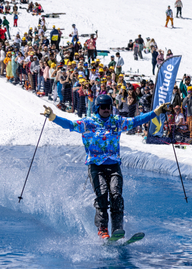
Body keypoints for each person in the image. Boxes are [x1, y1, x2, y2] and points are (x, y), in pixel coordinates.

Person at [41, 96, 170, 239]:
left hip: (114, 165)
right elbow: (69, 125)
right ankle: (103, 229)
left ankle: (117, 228)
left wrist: (156, 112)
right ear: (97, 108)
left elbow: (136, 121)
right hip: (95, 166)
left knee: (116, 195)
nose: (106, 109)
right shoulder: (88, 123)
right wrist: (53, 117)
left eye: (109, 106)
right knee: (102, 195)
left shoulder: (117, 122)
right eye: (103, 107)